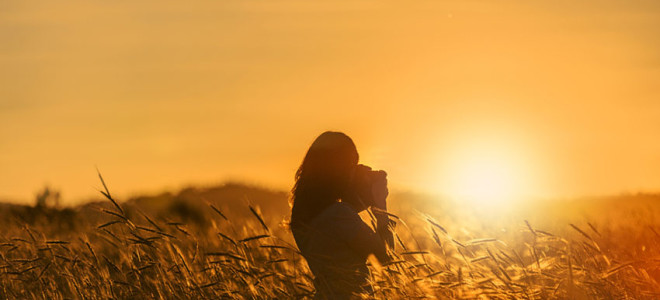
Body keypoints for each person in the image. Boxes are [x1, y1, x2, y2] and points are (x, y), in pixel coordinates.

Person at [289, 131, 395, 299]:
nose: (354, 173)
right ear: (338, 169)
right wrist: (380, 205)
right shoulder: (339, 215)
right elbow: (386, 257)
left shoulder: (307, 215)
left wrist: (357, 200)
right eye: (352, 166)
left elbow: (338, 233)